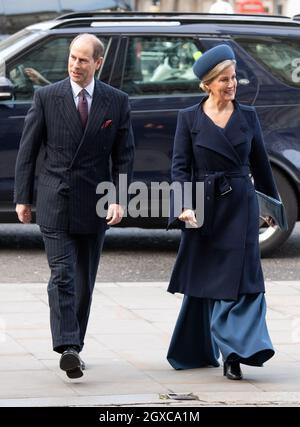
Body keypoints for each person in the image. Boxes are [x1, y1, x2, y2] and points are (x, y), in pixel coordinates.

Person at [14, 33, 135, 379]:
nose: (74, 65)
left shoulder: (116, 101)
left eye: (83, 60)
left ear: (98, 63)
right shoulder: (46, 97)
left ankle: (75, 345)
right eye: (71, 57)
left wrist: (120, 198)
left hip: (95, 203)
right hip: (56, 198)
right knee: (63, 274)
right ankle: (67, 345)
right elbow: (28, 151)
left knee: (85, 279)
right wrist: (24, 197)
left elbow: (123, 157)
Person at [167, 44, 279, 380]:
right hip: (203, 207)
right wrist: (183, 206)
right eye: (224, 79)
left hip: (240, 205)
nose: (231, 85)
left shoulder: (248, 117)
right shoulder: (189, 118)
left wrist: (270, 206)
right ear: (207, 84)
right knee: (207, 279)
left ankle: (235, 352)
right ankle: (201, 348)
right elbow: (179, 168)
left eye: (233, 78)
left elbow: (261, 164)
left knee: (243, 277)